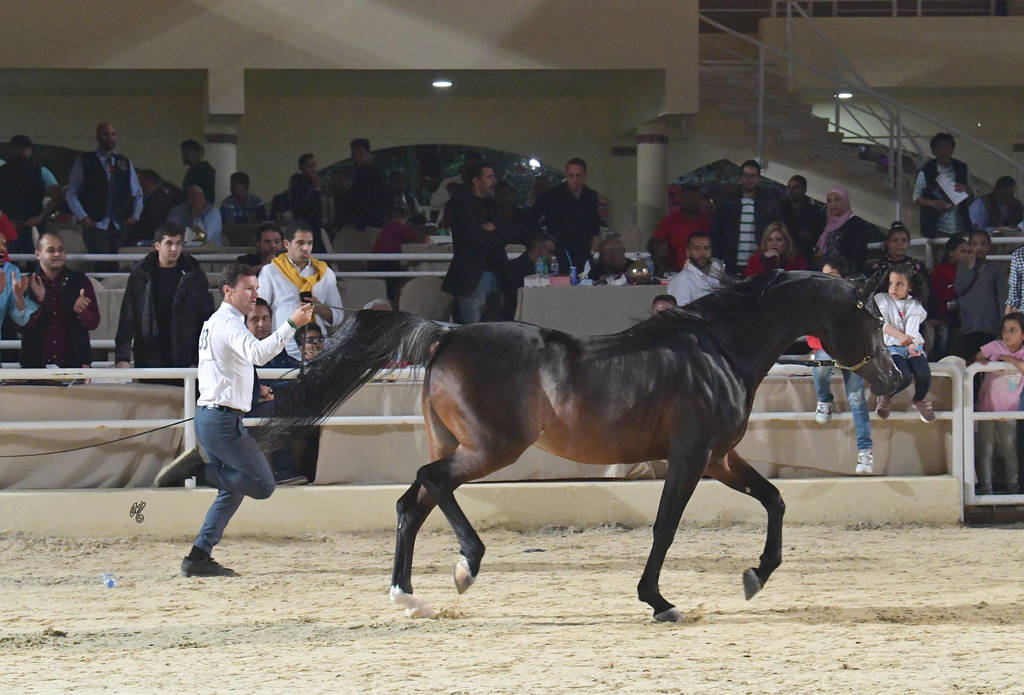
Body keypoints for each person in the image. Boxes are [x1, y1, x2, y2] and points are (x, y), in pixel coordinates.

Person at [159, 262, 314, 577]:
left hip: (214, 417)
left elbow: (233, 368)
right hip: (221, 422)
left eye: (257, 289)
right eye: (248, 288)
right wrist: (292, 324)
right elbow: (258, 355)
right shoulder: (229, 323)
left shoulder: (220, 322)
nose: (255, 295)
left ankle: (198, 555)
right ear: (228, 290)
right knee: (263, 484)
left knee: (232, 490)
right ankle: (201, 471)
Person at [114, 223, 214, 369]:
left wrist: (198, 358)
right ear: (157, 246)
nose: (174, 249)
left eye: (178, 244)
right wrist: (122, 358)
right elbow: (127, 318)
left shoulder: (195, 275)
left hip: (185, 355)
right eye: (169, 243)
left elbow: (206, 318)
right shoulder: (140, 276)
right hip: (149, 354)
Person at [809, 256, 874, 474]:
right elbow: (811, 333)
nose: (828, 279)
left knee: (856, 398)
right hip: (827, 350)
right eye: (825, 275)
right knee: (819, 366)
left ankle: (865, 452)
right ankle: (824, 399)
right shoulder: (815, 301)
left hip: (852, 353)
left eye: (833, 276)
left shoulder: (853, 299)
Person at [441, 160, 518, 323]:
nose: (494, 181)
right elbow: (471, 236)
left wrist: (491, 229)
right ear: (476, 181)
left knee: (493, 325)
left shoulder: (493, 205)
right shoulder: (461, 204)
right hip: (473, 273)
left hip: (495, 271)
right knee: (472, 329)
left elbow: (507, 233)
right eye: (489, 177)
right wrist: (492, 231)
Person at [258, 220, 343, 361]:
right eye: (300, 243)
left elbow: (338, 316)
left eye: (309, 243)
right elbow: (261, 309)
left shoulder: (325, 272)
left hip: (317, 348)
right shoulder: (271, 271)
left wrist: (319, 308)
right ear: (287, 244)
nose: (306, 248)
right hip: (283, 349)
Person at [18, 233, 99, 368]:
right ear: (38, 254)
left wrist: (82, 312)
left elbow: (94, 323)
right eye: (51, 250)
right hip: (35, 367)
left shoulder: (80, 281)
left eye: (61, 250)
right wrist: (40, 302)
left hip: (74, 366)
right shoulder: (26, 284)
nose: (57, 254)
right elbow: (22, 327)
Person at [65, 122, 144, 258]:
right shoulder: (85, 160)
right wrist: (82, 216)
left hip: (119, 222)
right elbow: (71, 192)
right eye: (105, 134)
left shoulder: (124, 162)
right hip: (95, 222)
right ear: (97, 136)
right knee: (98, 262)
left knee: (118, 263)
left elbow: (137, 192)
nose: (109, 137)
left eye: (113, 134)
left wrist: (135, 215)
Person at [874, 264, 936, 423]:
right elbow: (882, 324)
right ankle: (886, 394)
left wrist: (911, 344)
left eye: (899, 284)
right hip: (890, 347)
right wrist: (901, 337)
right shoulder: (881, 299)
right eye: (891, 283)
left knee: (923, 374)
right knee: (904, 376)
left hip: (911, 346)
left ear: (910, 287)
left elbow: (912, 330)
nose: (893, 287)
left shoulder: (914, 305)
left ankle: (919, 399)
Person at [973, 312, 1024, 495]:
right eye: (1004, 330)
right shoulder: (995, 346)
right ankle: (987, 490)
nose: (1007, 334)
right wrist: (983, 361)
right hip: (987, 408)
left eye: (1012, 330)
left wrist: (1008, 359)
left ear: (1023, 334)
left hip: (1009, 411)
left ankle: (1014, 490)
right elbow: (978, 356)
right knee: (986, 449)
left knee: (1009, 450)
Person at [526, 158, 601, 271]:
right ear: (566, 175)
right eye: (571, 175)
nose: (574, 179)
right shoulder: (552, 195)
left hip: (583, 251)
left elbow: (594, 227)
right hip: (558, 251)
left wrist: (592, 252)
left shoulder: (590, 196)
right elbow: (531, 218)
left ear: (585, 175)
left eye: (578, 175)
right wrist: (543, 241)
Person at [710, 159, 780, 273]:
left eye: (753, 176)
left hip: (759, 262)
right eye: (746, 175)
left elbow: (777, 230)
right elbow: (716, 231)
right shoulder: (727, 201)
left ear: (759, 178)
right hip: (730, 262)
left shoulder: (769, 202)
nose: (749, 179)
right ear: (741, 177)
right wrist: (717, 258)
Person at [0, 135, 63, 254]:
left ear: (30, 150)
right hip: (5, 228)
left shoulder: (42, 171)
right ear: (11, 149)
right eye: (17, 147)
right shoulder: (1, 172)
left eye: (25, 148)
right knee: (5, 266)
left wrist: (40, 217)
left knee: (36, 265)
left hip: (34, 228)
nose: (21, 151)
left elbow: (57, 196)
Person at [954, 229, 1007, 361]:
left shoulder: (995, 268)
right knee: (971, 358)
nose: (979, 247)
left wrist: (1003, 322)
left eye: (983, 244)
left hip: (990, 322)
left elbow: (1002, 296)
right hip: (969, 322)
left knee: (989, 360)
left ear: (989, 247)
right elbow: (959, 289)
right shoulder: (963, 267)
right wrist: (970, 268)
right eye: (974, 244)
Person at [914, 132, 971, 238]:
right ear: (933, 151)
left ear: (952, 150)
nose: (944, 151)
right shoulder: (927, 170)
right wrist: (932, 203)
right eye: (939, 148)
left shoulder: (962, 168)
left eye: (947, 148)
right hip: (936, 225)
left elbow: (972, 193)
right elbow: (916, 197)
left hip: (960, 223)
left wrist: (965, 189)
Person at [372, 207, 428, 303]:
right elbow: (409, 234)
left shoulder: (388, 228)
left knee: (400, 274)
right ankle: (394, 300)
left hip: (382, 260)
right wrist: (420, 232)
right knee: (396, 280)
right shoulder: (394, 225)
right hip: (385, 261)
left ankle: (395, 298)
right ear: (400, 217)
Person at [650, 183, 710, 273]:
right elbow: (654, 243)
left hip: (703, 271)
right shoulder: (670, 221)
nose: (691, 201)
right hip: (676, 272)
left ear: (699, 200)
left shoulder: (708, 222)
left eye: (695, 198)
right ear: (681, 198)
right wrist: (660, 265)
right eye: (688, 198)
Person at [930, 235, 970, 361]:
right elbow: (935, 296)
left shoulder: (968, 270)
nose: (967, 255)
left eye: (969, 251)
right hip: (944, 316)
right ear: (951, 253)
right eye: (963, 251)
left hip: (963, 317)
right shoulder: (940, 271)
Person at [814, 187, 873, 272]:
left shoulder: (856, 223)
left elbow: (859, 256)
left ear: (846, 201)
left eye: (837, 199)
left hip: (846, 277)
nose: (833, 204)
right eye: (829, 201)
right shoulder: (828, 224)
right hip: (827, 274)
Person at [343, 138, 392, 231]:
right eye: (354, 154)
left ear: (369, 154)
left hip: (370, 226)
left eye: (361, 153)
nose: (357, 157)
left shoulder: (373, 175)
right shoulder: (359, 175)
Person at [504, 232, 554, 319]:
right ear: (537, 249)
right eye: (549, 251)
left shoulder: (548, 268)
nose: (551, 255)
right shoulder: (515, 267)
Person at [667, 232, 723, 306]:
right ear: (687, 252)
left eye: (706, 248)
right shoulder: (682, 279)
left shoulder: (714, 275)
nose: (702, 253)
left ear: (711, 251)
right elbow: (681, 314)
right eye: (697, 248)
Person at [125, 169, 177, 246]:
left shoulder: (159, 199)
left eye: (140, 181)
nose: (138, 185)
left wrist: (132, 223)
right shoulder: (149, 198)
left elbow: (151, 222)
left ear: (149, 181)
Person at [778, 174, 823, 262]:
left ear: (804, 190)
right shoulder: (779, 209)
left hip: (805, 256)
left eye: (795, 187)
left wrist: (811, 237)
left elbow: (819, 235)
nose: (790, 191)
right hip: (784, 255)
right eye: (789, 187)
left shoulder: (814, 212)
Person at [0, 236, 37, 336]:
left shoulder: (9, 271)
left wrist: (19, 297)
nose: (3, 249)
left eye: (4, 244)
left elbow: (20, 318)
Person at [742, 221, 807, 277]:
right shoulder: (755, 260)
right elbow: (752, 285)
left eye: (778, 240)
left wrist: (780, 263)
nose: (773, 243)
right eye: (769, 240)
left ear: (787, 242)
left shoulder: (797, 260)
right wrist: (765, 262)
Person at [288, 153, 325, 252]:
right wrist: (315, 189)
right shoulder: (298, 184)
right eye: (308, 166)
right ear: (301, 167)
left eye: (314, 165)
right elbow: (304, 206)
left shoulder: (315, 183)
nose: (312, 169)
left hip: (316, 227)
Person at [180, 139, 216, 205]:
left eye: (186, 152)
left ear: (196, 153)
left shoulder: (205, 170)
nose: (183, 156)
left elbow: (208, 196)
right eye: (182, 153)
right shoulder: (191, 170)